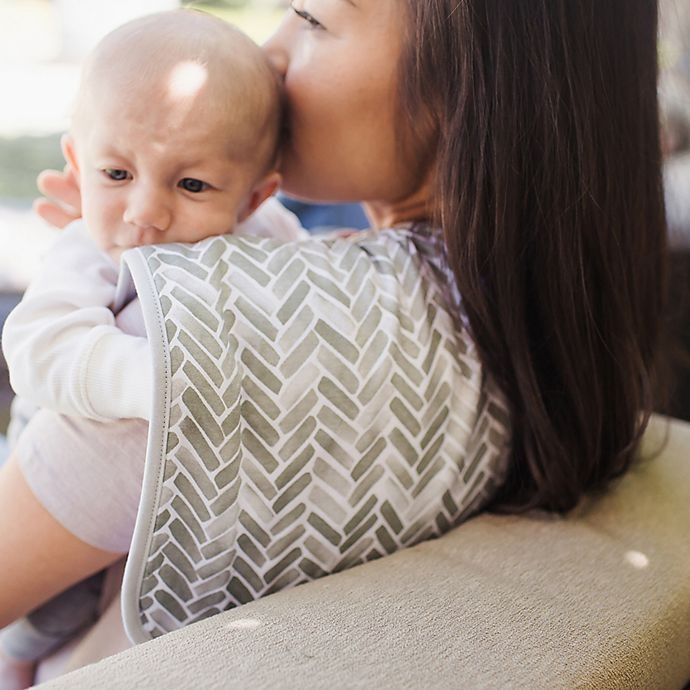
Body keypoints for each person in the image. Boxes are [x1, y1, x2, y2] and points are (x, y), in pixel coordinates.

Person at [0, 0, 666, 681]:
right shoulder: (525, 343)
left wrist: (147, 287)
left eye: (311, 18)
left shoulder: (196, 339)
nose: (270, 53)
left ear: (465, 87)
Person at [0, 10, 307, 687]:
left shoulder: (269, 234)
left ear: (255, 197)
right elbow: (39, 348)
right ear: (77, 161)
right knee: (34, 632)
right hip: (44, 477)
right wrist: (156, 375)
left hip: (152, 531)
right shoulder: (88, 250)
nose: (145, 212)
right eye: (115, 174)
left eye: (192, 184)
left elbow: (294, 286)